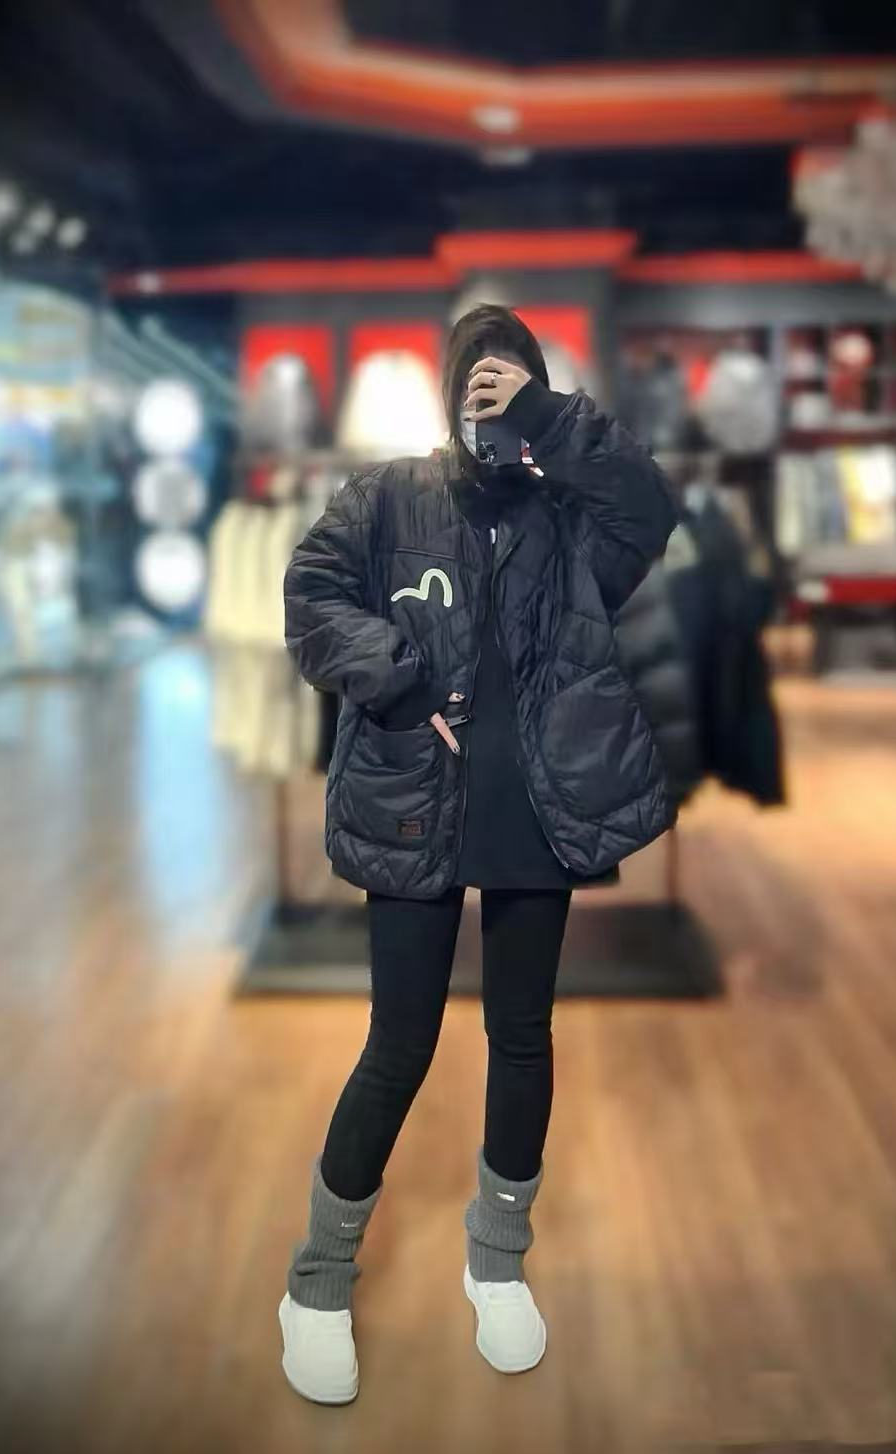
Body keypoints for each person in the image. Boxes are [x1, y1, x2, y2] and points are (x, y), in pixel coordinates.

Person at [279, 305, 679, 1404]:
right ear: (449, 391)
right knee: (398, 1044)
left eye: (512, 382)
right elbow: (310, 596)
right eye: (479, 381)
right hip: (413, 800)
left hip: (537, 811)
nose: (490, 401)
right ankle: (317, 1281)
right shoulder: (389, 496)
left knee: (522, 1037)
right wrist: (399, 676)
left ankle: (497, 1262)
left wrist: (548, 417)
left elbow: (653, 506)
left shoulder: (574, 520)